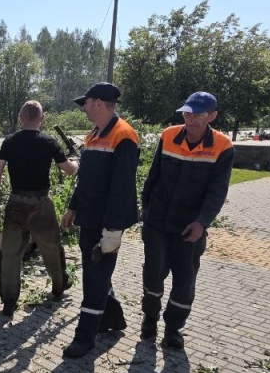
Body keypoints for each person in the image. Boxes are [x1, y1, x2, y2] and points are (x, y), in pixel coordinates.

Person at [140, 92, 234, 349]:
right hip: (158, 221)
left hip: (189, 226)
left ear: (212, 116)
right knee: (153, 272)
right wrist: (145, 210)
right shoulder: (169, 135)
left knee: (185, 278)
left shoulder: (222, 146)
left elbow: (218, 191)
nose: (190, 119)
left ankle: (173, 328)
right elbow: (153, 175)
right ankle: (149, 318)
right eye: (187, 113)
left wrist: (202, 222)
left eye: (197, 115)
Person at [60, 83, 140, 358]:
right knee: (97, 274)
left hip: (106, 223)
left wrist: (113, 231)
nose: (83, 108)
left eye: (86, 102)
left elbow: (123, 189)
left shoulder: (124, 136)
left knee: (94, 278)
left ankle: (84, 338)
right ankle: (111, 318)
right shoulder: (94, 135)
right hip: (89, 218)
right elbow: (86, 178)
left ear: (99, 103)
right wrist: (73, 207)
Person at [0, 100, 78, 316]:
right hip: (41, 203)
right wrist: (77, 162)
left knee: (11, 253)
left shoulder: (10, 142)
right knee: (51, 248)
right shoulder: (49, 141)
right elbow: (68, 170)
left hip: (16, 203)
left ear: (21, 118)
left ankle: (9, 300)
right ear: (41, 118)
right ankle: (58, 287)